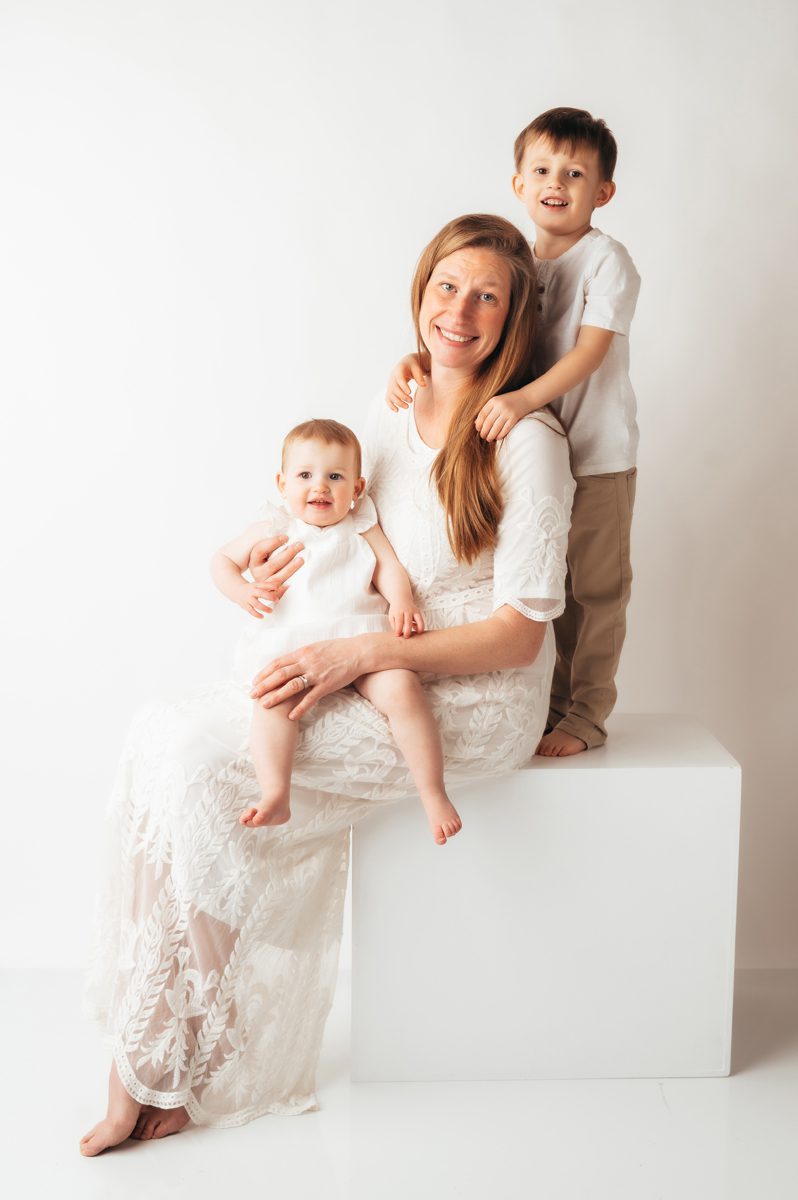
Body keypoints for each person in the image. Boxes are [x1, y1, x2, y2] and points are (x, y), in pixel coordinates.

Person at [80, 213, 574, 1156]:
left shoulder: (526, 443)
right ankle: (165, 1057)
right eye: (445, 286)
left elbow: (517, 640)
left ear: (514, 320)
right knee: (163, 737)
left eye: (486, 297)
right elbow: (308, 515)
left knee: (203, 764)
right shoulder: (394, 413)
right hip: (363, 659)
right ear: (419, 290)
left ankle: (149, 1074)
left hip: (462, 695)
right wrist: (264, 570)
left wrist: (362, 658)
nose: (458, 312)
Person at [386, 108, 641, 757]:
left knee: (596, 590)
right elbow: (480, 338)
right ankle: (554, 704)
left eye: (576, 173)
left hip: (597, 451)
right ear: (518, 183)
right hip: (540, 442)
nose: (557, 181)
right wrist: (420, 360)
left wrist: (523, 401)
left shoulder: (606, 260)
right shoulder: (517, 260)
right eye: (543, 169)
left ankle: (586, 712)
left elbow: (589, 351)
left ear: (602, 193)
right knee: (546, 584)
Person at [211, 417, 462, 845]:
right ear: (282, 483)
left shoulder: (361, 523)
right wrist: (242, 591)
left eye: (335, 477)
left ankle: (433, 792)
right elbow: (221, 561)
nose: (320, 487)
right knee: (272, 702)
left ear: (358, 489)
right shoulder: (274, 526)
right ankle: (276, 791)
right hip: (293, 644)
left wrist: (402, 601)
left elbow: (389, 569)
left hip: (360, 639)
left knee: (402, 690)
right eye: (305, 476)